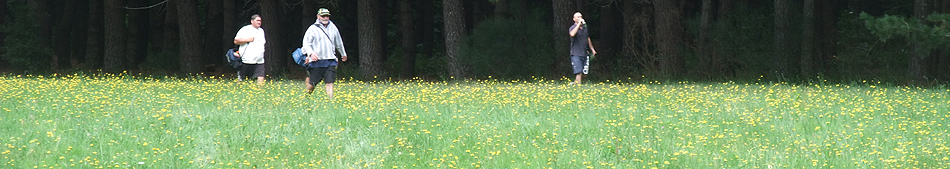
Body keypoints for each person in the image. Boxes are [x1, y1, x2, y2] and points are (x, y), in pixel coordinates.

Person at [302, 8, 348, 98]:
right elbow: (306, 44)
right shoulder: (312, 29)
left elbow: (338, 42)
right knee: (313, 83)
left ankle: (330, 100)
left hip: (330, 60)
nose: (325, 18)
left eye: (327, 16)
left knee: (330, 82)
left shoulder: (333, 27)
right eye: (323, 16)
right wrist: (311, 54)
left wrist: (343, 54)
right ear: (318, 16)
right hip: (317, 61)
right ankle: (306, 97)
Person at [234, 14, 267, 85]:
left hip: (259, 59)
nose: (259, 22)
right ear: (252, 21)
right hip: (247, 59)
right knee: (242, 77)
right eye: (257, 20)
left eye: (260, 21)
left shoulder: (261, 31)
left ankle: (260, 92)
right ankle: (237, 90)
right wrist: (247, 39)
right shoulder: (245, 29)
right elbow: (236, 41)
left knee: (261, 75)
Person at [568, 12, 597, 85]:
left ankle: (574, 83)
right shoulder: (573, 28)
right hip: (576, 53)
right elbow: (572, 34)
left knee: (584, 74)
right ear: (574, 19)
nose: (580, 18)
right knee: (579, 72)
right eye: (578, 17)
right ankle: (579, 88)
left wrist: (592, 50)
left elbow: (587, 38)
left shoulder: (585, 28)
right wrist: (578, 25)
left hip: (584, 53)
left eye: (581, 16)